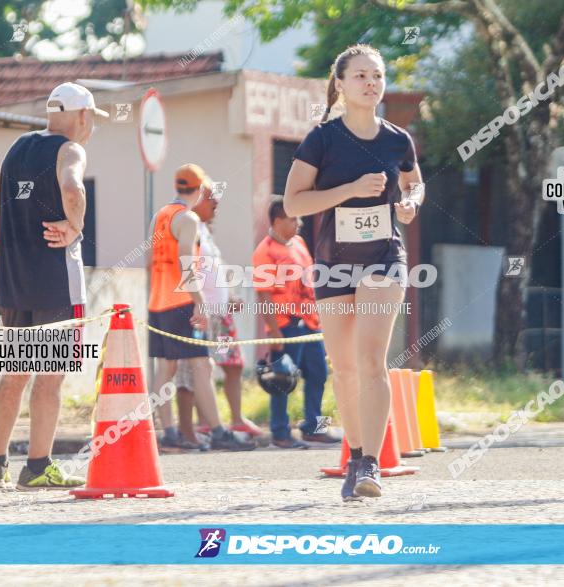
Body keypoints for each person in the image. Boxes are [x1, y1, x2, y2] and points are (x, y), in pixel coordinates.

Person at [284, 43, 422, 500]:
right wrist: (350, 189)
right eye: (360, 75)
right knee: (343, 369)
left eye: (377, 75)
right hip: (332, 262)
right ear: (340, 84)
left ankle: (370, 465)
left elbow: (413, 180)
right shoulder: (321, 139)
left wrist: (409, 203)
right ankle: (355, 453)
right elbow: (294, 203)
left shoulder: (397, 139)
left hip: (384, 258)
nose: (371, 83)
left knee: (370, 361)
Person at [0, 82, 106, 490]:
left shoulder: (16, 148)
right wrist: (77, 227)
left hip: (14, 282)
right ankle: (38, 467)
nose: (91, 127)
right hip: (56, 282)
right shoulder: (70, 149)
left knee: (14, 372)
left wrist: (16, 251)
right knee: (50, 377)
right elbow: (72, 188)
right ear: (82, 116)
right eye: (91, 119)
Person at [147, 163, 255, 452]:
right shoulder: (188, 219)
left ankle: (169, 433)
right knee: (201, 365)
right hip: (181, 303)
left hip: (157, 302)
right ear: (200, 189)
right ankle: (219, 431)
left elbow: (151, 261)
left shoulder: (160, 215)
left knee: (165, 369)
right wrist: (199, 301)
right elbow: (186, 261)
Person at [172, 178, 262, 449]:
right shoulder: (187, 225)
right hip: (203, 312)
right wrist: (199, 303)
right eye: (212, 199)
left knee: (229, 363)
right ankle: (198, 428)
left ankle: (224, 422)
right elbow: (188, 267)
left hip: (219, 313)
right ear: (198, 198)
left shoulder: (204, 230)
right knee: (195, 369)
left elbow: (212, 270)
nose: (217, 205)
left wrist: (228, 296)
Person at [252, 196, 341, 449]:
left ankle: (315, 428)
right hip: (285, 326)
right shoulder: (264, 251)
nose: (299, 223)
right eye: (293, 218)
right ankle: (280, 433)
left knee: (319, 374)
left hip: (310, 324)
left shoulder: (299, 243)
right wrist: (275, 332)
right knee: (282, 380)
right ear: (278, 221)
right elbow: (264, 294)